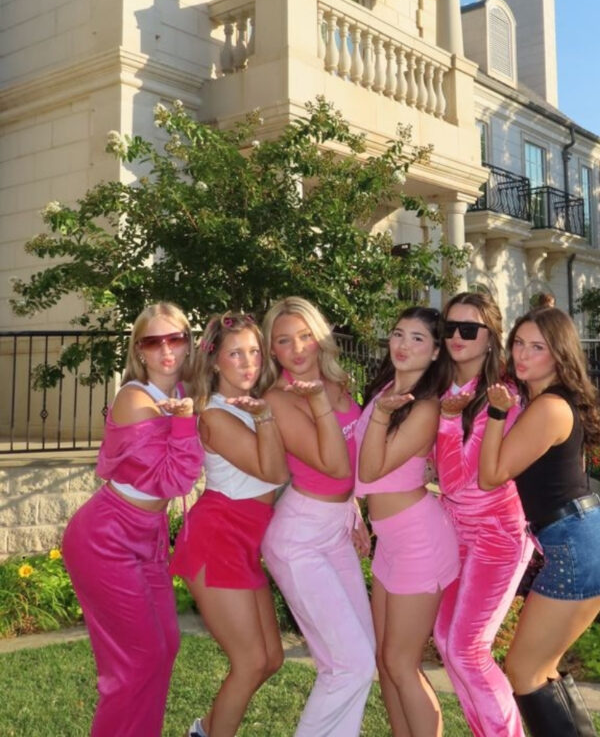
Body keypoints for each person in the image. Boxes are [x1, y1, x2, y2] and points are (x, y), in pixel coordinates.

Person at [479, 306, 600, 737]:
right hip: (583, 538)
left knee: (523, 670)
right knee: (540, 668)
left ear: (559, 354)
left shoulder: (549, 407)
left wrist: (496, 413)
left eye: (538, 347)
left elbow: (491, 475)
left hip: (576, 545)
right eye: (518, 344)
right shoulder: (553, 402)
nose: (522, 355)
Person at [61, 302, 204, 737]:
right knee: (134, 662)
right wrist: (186, 422)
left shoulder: (181, 391)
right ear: (139, 350)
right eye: (153, 341)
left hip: (147, 536)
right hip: (106, 538)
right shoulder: (134, 398)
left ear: (188, 343)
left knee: (164, 648)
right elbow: (174, 480)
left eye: (175, 338)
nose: (166, 349)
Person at [259, 297, 375, 737]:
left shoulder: (336, 381)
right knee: (352, 664)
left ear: (320, 336)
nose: (297, 348)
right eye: (284, 341)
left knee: (357, 656)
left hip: (335, 527)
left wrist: (354, 511)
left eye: (305, 336)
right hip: (300, 537)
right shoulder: (278, 399)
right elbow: (334, 466)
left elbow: (353, 456)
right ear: (272, 350)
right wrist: (320, 401)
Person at [170, 312, 290, 737]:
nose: (248, 362)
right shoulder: (215, 415)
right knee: (251, 661)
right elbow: (274, 472)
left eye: (254, 352)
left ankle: (203, 730)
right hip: (218, 537)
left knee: (271, 659)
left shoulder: (253, 407)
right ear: (215, 361)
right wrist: (266, 418)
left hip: (244, 541)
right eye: (235, 353)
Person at [432, 292, 534, 737]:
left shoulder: (502, 397)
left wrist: (446, 421)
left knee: (469, 650)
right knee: (445, 641)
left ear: (491, 337)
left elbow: (457, 480)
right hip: (455, 529)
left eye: (469, 329)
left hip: (496, 533)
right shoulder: (444, 387)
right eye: (449, 328)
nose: (456, 336)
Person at [356, 306, 459, 737]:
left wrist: (381, 415)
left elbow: (371, 470)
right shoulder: (385, 392)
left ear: (436, 352)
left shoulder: (425, 407)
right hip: (390, 541)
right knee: (385, 661)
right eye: (398, 334)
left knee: (401, 663)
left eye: (418, 338)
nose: (403, 344)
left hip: (419, 541)